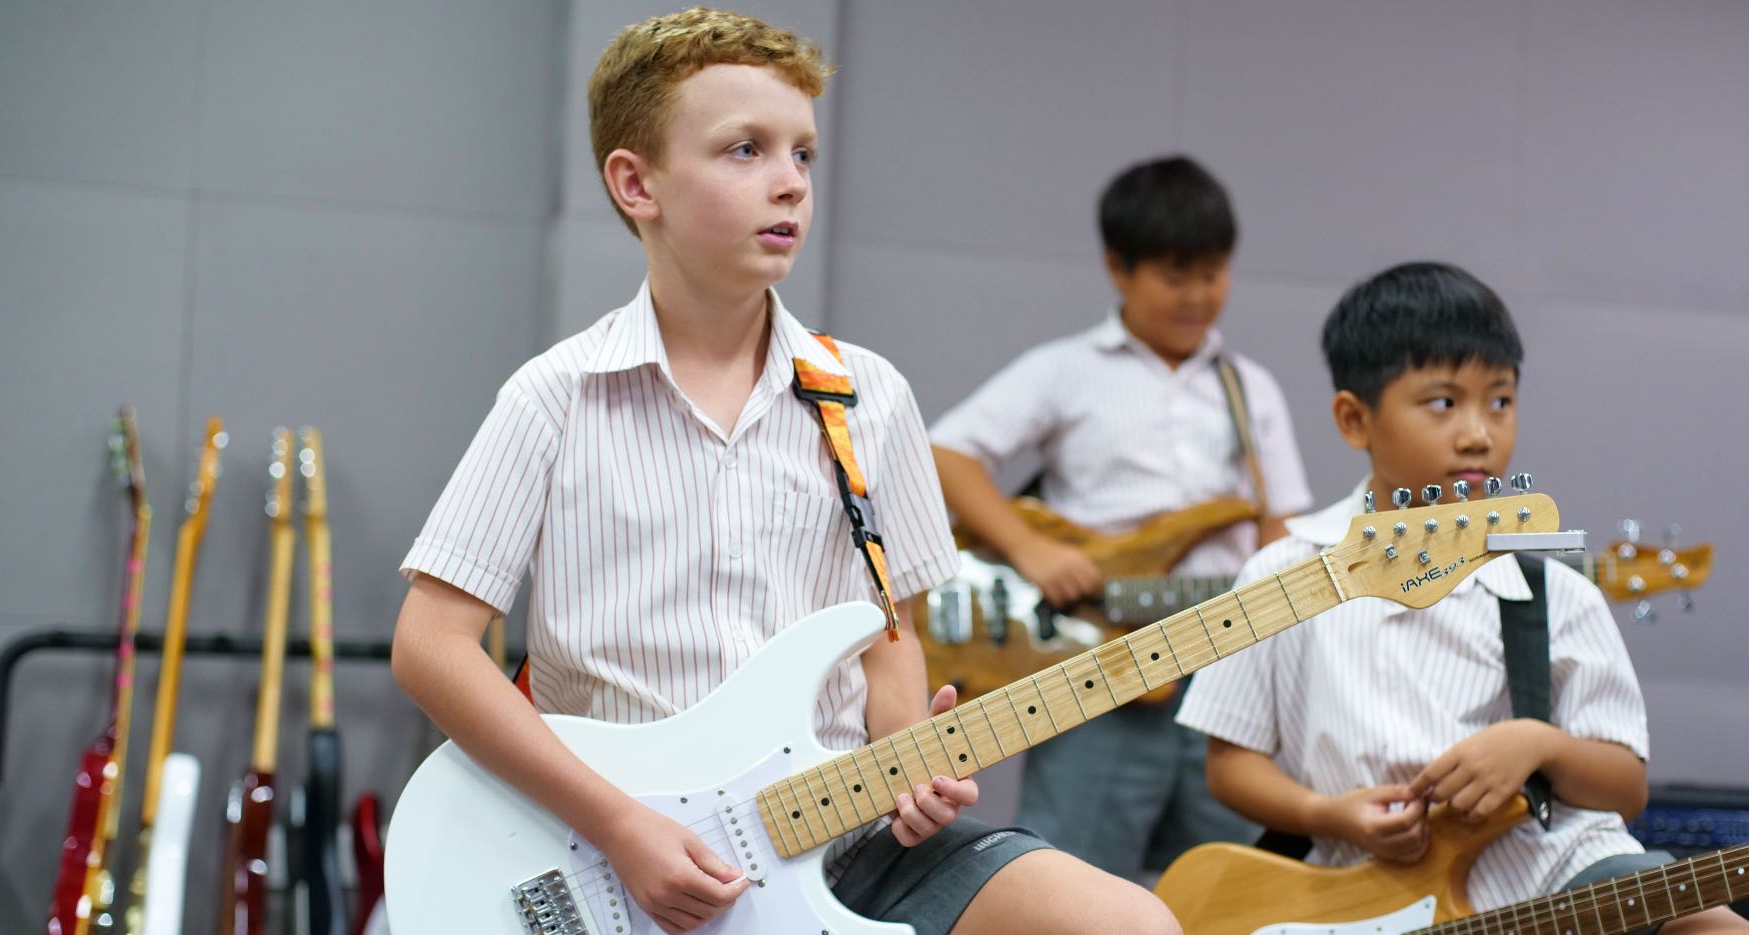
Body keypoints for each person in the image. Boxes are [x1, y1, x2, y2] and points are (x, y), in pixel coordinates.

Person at [388, 9, 1177, 935]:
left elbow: (890, 634)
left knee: (1130, 924)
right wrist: (617, 820)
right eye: (744, 151)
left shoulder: (867, 396)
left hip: (847, 845)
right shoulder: (554, 397)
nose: (789, 185)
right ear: (636, 183)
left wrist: (906, 759)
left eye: (802, 155)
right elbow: (432, 644)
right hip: (609, 849)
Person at [1175, 261, 1749, 932]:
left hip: (1554, 881)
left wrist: (1539, 744)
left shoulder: (1555, 594)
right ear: (1353, 419)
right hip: (1369, 899)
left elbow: (1625, 789)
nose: (1479, 432)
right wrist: (1328, 815)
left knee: (1705, 920)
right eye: (1444, 401)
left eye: (1501, 400)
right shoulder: (1285, 574)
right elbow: (1230, 765)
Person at [928, 155, 1313, 878]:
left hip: (1222, 677)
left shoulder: (1250, 387)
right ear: (1118, 266)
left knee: (1231, 884)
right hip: (1094, 667)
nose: (1199, 295)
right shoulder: (1066, 369)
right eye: (1175, 275)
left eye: (1213, 272)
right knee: (1072, 880)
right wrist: (1029, 548)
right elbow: (947, 450)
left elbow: (1277, 528)